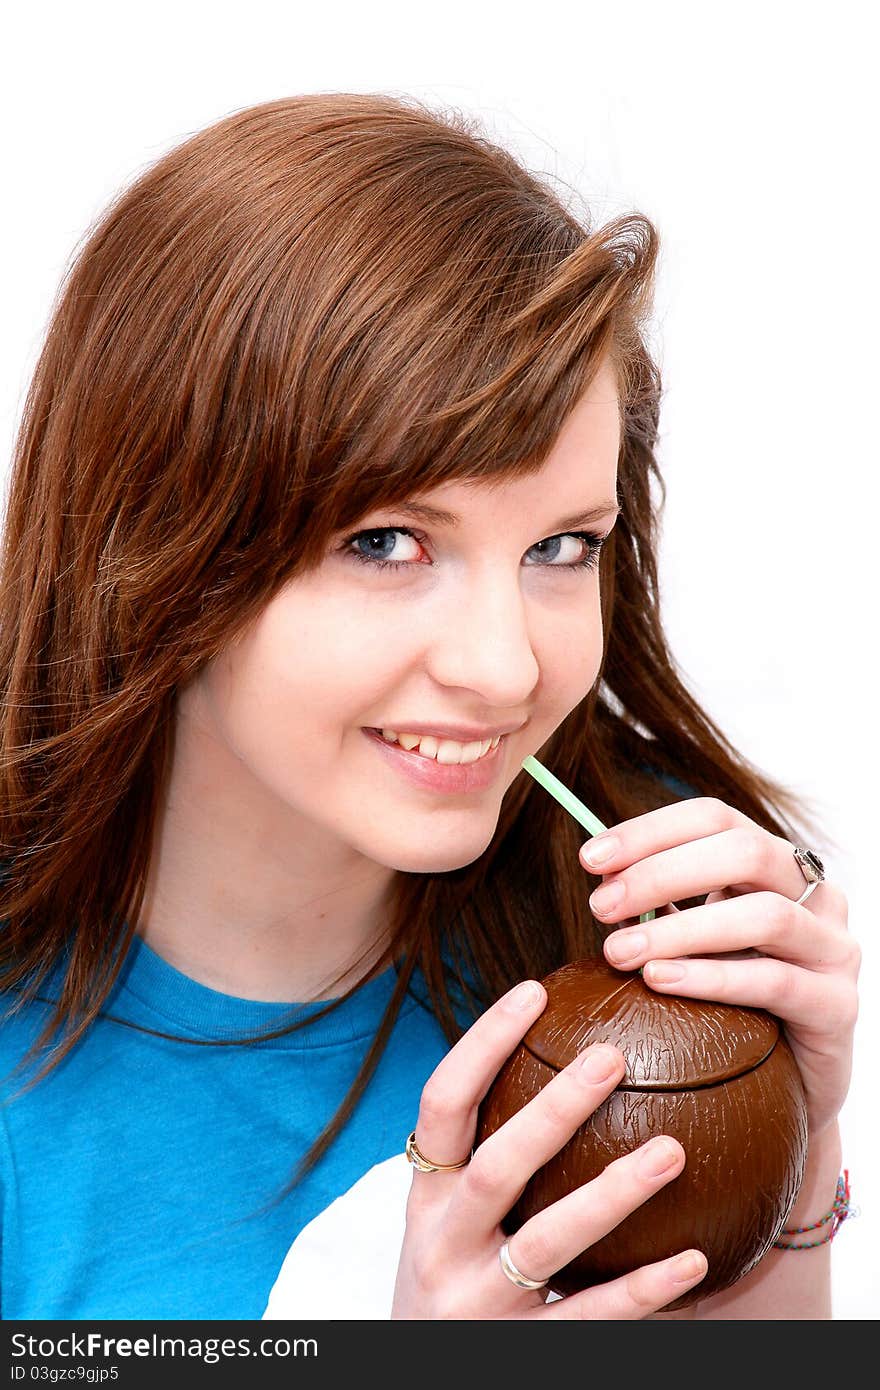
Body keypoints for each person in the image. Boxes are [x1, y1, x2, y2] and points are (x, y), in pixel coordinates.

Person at [0, 92, 858, 1322]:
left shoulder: (654, 944)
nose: (506, 669)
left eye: (562, 547)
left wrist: (790, 1162)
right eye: (388, 540)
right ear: (156, 540)